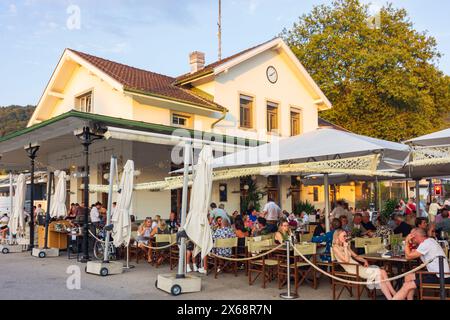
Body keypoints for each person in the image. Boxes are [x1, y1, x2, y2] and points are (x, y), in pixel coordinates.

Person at [332, 229, 397, 300]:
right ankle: (393, 296)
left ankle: (393, 295)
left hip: (358, 267)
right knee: (380, 273)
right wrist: (345, 247)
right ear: (337, 237)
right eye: (344, 236)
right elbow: (346, 261)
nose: (345, 237)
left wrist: (364, 260)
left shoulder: (346, 246)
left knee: (382, 272)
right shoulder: (335, 248)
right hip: (353, 269)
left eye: (346, 236)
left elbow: (355, 256)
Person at [392, 228, 450, 300]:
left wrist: (407, 242)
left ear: (415, 237)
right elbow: (413, 252)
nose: (411, 238)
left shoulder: (426, 244)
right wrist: (411, 245)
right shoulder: (429, 241)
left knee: (407, 286)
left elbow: (408, 256)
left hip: (440, 276)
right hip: (437, 273)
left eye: (411, 237)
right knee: (408, 276)